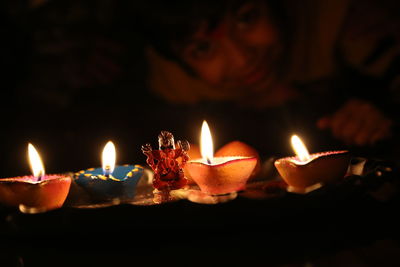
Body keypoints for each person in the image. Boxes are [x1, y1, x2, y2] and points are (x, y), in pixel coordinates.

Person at [131, 0, 400, 160]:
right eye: (202, 49)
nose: (242, 59)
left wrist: (384, 116)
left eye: (247, 18)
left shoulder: (350, 27)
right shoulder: (167, 83)